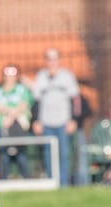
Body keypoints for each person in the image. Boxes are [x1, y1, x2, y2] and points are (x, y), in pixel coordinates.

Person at [30, 48, 81, 186]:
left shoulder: (67, 76)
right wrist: (36, 121)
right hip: (46, 122)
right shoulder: (41, 76)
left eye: (54, 58)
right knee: (48, 154)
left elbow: (76, 99)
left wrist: (74, 120)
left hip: (63, 121)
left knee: (64, 153)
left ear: (59, 60)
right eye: (48, 59)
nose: (51, 62)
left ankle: (64, 183)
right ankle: (52, 181)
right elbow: (35, 100)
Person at [0, 64, 35, 179]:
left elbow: (25, 105)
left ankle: (27, 180)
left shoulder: (22, 89)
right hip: (1, 128)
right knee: (4, 156)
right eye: (7, 75)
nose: (9, 78)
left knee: (21, 155)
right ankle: (4, 181)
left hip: (18, 128)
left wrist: (8, 114)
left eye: (12, 75)